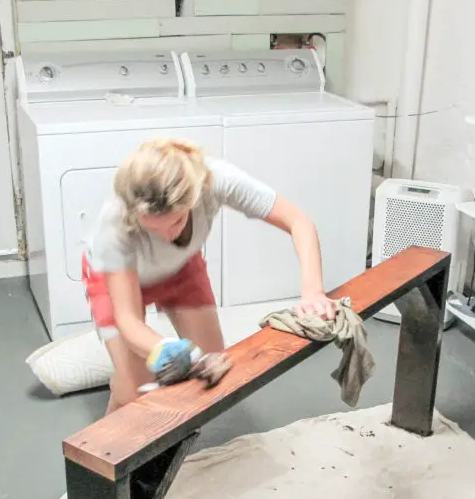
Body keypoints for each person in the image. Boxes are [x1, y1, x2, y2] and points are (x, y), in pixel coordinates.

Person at [82, 138, 338, 413]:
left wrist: (314, 291)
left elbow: (298, 222)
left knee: (214, 367)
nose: (167, 236)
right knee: (134, 392)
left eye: (177, 222)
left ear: (192, 198)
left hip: (181, 268)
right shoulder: (115, 222)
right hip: (120, 279)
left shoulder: (215, 178)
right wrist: (164, 347)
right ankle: (117, 405)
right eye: (153, 230)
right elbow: (128, 319)